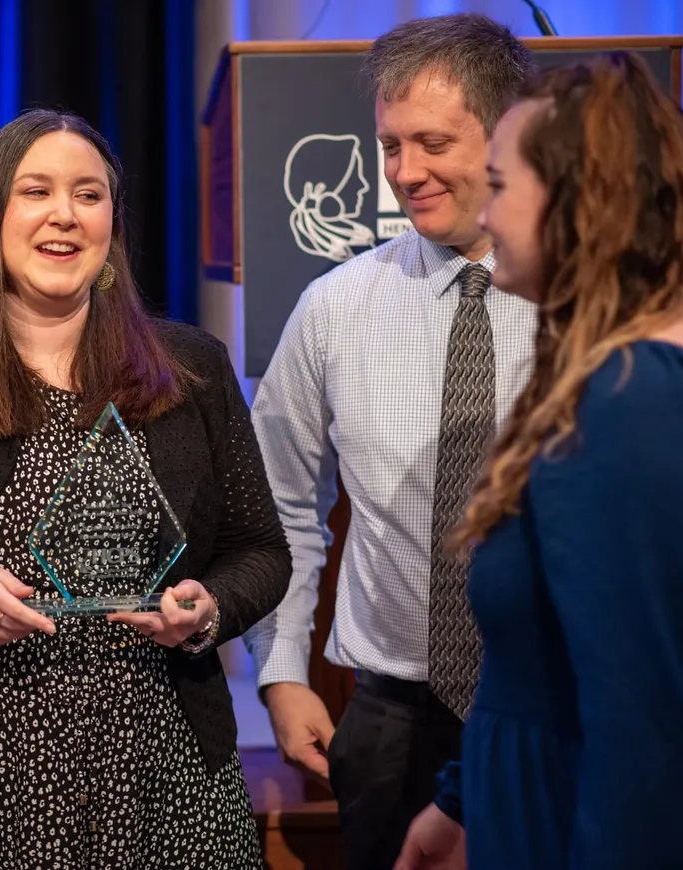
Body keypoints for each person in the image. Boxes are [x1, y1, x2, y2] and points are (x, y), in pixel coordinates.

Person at [0, 108, 292, 868]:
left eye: (89, 194)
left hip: (160, 772)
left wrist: (208, 610)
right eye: (36, 191)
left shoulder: (193, 369)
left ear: (112, 218)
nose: (65, 216)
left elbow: (260, 551)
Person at [395, 52, 683, 870]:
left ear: (582, 201)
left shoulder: (638, 398)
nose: (489, 213)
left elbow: (657, 739)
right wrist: (463, 804)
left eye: (504, 185)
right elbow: (550, 667)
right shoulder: (624, 376)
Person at [242, 13, 538, 870]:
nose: (405, 173)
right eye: (390, 146)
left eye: (432, 143)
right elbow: (283, 505)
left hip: (556, 710)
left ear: (507, 133)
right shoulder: (336, 307)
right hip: (389, 726)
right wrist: (284, 670)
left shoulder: (585, 305)